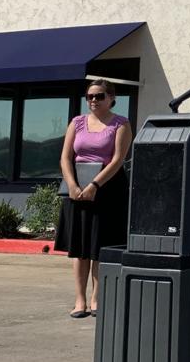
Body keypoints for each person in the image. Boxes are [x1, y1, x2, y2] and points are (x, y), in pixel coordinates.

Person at [54, 79, 133, 319]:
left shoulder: (121, 124)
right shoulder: (77, 123)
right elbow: (65, 157)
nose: (93, 101)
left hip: (107, 189)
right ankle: (80, 301)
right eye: (89, 97)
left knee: (99, 247)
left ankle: (97, 298)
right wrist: (73, 185)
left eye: (99, 96)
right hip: (77, 190)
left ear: (111, 98)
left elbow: (118, 159)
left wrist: (95, 185)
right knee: (80, 248)